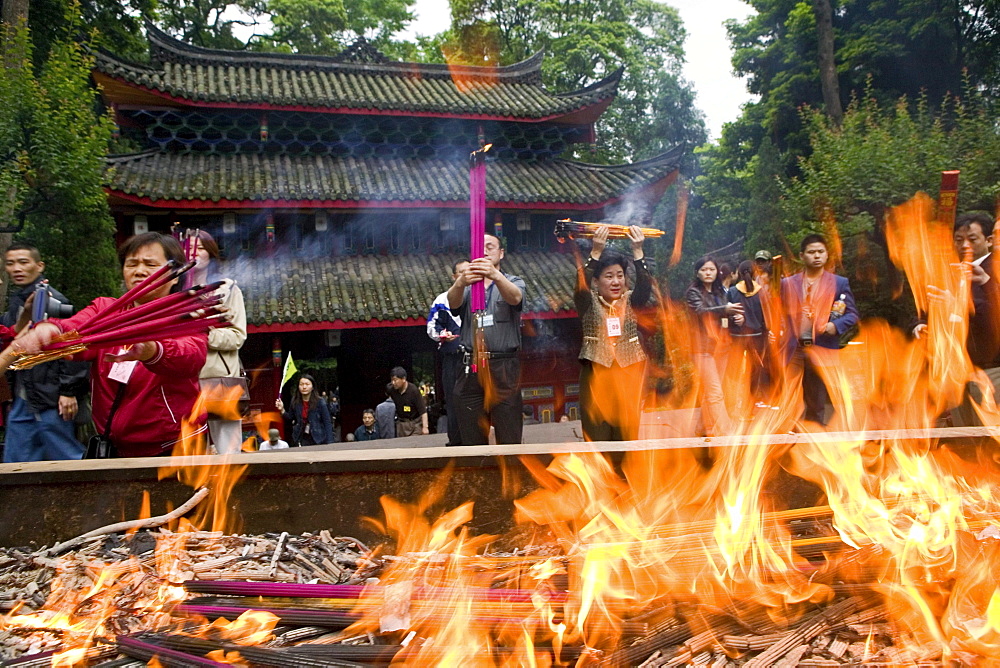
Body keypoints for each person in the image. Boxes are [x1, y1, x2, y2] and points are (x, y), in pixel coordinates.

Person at [1, 232, 208, 458]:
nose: (139, 271)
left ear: (175, 275)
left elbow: (191, 357)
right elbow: (76, 327)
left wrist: (151, 350)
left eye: (150, 264)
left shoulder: (188, 314)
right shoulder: (105, 309)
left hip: (175, 445)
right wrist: (53, 329)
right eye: (132, 264)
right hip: (115, 445)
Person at [0, 243, 89, 463]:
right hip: (24, 392)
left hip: (49, 392)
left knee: (65, 454)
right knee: (17, 458)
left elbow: (74, 345)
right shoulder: (18, 301)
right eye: (11, 263)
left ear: (39, 266)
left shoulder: (54, 301)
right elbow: (13, 337)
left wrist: (69, 390)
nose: (16, 269)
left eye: (23, 262)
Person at [575, 225, 652, 441]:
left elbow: (645, 287)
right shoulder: (588, 302)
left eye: (620, 275)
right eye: (609, 276)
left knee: (627, 435)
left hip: (628, 373)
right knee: (597, 436)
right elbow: (580, 286)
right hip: (596, 375)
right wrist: (596, 252)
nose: (616, 281)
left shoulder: (630, 301)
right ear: (596, 282)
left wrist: (638, 251)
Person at [447, 234, 525, 445]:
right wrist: (460, 282)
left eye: (490, 247)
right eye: (479, 248)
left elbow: (516, 298)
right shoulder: (468, 286)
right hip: (471, 366)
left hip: (503, 367)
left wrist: (496, 276)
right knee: (471, 438)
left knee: (509, 435)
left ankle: (510, 477)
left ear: (500, 253)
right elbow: (452, 304)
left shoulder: (513, 281)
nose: (484, 251)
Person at [780, 233, 859, 426]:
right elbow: (778, 314)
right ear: (802, 255)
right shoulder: (788, 283)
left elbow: (852, 314)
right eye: (811, 252)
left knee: (816, 398)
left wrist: (834, 326)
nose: (816, 256)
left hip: (821, 346)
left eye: (820, 252)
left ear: (826, 255)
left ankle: (815, 438)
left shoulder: (839, 283)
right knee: (789, 396)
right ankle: (788, 438)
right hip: (794, 347)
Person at [187, 231, 247, 455]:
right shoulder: (173, 293)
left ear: (211, 254)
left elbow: (238, 336)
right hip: (184, 381)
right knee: (191, 452)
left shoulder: (228, 289)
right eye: (189, 248)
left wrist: (202, 335)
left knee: (228, 451)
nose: (194, 253)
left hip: (219, 379)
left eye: (200, 248)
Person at [686, 255, 743, 436]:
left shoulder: (720, 292)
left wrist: (737, 318)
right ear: (697, 273)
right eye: (703, 270)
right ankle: (727, 432)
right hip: (701, 348)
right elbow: (701, 312)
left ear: (717, 271)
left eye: (711, 269)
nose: (708, 273)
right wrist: (725, 310)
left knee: (712, 390)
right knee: (715, 392)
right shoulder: (693, 293)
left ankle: (701, 428)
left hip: (721, 346)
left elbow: (726, 316)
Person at [427, 260, 468, 446]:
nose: (466, 275)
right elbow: (432, 327)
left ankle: (477, 438)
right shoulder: (442, 300)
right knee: (453, 399)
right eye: (461, 272)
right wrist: (443, 335)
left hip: (476, 356)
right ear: (454, 277)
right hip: (453, 358)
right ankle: (456, 440)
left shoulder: (481, 296)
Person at [727, 260, 773, 412]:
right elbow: (766, 318)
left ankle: (733, 404)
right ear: (755, 273)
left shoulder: (732, 292)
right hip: (757, 338)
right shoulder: (762, 292)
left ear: (739, 273)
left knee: (734, 372)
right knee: (753, 372)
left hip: (737, 338)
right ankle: (749, 405)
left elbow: (726, 317)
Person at [275, 374, 333, 446]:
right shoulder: (295, 401)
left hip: (318, 437)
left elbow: (327, 422)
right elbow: (290, 418)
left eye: (307, 384)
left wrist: (330, 442)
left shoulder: (320, 402)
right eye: (301, 384)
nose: (304, 387)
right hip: (302, 437)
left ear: (312, 387)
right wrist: (282, 410)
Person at [386, 367, 428, 436]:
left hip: (415, 424)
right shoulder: (392, 390)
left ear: (403, 379)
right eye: (392, 380)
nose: (393, 383)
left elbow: (423, 411)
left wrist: (425, 427)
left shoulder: (414, 391)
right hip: (401, 424)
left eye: (395, 380)